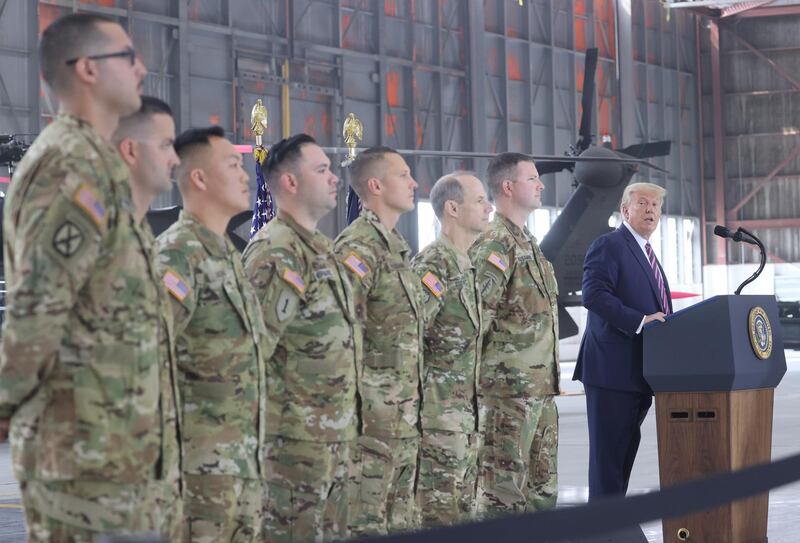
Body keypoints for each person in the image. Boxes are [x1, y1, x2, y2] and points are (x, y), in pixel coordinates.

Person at [0, 14, 182, 541]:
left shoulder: (95, 163)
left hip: (116, 443)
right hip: (83, 454)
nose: (142, 66)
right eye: (127, 57)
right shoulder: (68, 165)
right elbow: (38, 305)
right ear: (87, 70)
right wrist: (9, 403)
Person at [242, 134, 360, 543]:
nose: (335, 179)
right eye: (322, 170)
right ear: (290, 182)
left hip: (332, 441)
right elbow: (252, 355)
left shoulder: (321, 250)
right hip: (292, 450)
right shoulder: (274, 253)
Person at [157, 126, 267, 541]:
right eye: (233, 165)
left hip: (240, 464)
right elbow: (151, 363)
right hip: (198, 473)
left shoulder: (227, 256)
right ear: (199, 178)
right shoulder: (176, 255)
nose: (245, 177)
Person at [334, 147, 425, 536]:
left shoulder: (396, 247)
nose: (413, 183)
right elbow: (341, 336)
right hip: (371, 423)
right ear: (375, 185)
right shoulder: (357, 249)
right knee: (364, 526)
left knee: (399, 525)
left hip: (402, 419)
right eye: (403, 175)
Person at [470, 152, 560, 516]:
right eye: (532, 179)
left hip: (539, 392)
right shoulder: (495, 244)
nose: (541, 185)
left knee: (541, 493)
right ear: (508, 187)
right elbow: (475, 321)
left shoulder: (528, 244)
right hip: (506, 396)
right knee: (501, 497)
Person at [573, 182, 670, 500]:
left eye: (656, 205)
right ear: (625, 210)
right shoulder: (610, 245)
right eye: (643, 203)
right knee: (608, 460)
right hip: (612, 371)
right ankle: (602, 530)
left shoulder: (646, 252)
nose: (651, 210)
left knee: (622, 457)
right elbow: (594, 295)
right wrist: (640, 321)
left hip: (638, 372)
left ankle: (614, 524)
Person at [411, 172, 492, 527]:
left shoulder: (466, 264)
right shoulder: (434, 265)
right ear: (453, 208)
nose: (489, 208)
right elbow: (411, 337)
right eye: (479, 201)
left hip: (464, 420)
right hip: (439, 421)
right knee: (438, 518)